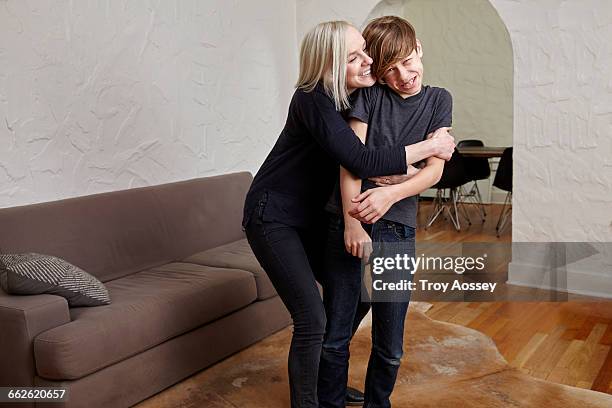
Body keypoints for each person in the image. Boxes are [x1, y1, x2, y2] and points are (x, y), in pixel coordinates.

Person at [242, 20, 455, 408]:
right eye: (354, 57)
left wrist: (395, 175)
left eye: (365, 53)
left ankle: (331, 389)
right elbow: (357, 158)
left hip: (312, 217)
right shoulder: (313, 98)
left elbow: (361, 160)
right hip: (274, 214)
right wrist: (430, 147)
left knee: (357, 298)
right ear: (330, 64)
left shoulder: (359, 96)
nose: (369, 63)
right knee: (314, 320)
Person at [318, 16, 453, 408]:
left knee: (390, 344)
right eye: (389, 69)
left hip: (397, 225)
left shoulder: (438, 99)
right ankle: (329, 402)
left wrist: (391, 195)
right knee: (336, 333)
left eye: (408, 62)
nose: (403, 75)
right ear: (376, 70)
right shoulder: (369, 96)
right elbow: (351, 162)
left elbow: (434, 172)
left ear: (420, 48)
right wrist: (351, 220)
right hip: (349, 216)